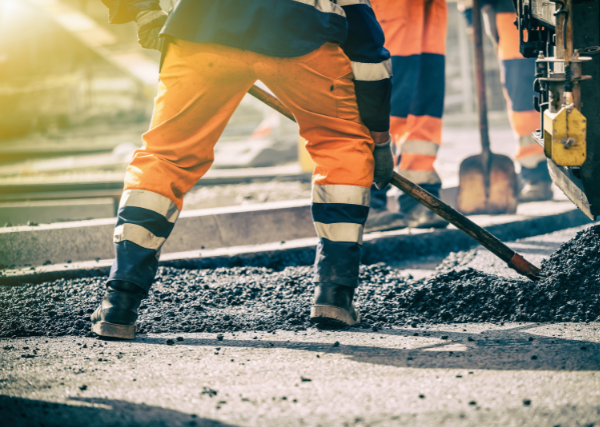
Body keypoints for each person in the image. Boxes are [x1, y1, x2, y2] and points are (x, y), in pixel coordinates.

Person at [91, 0, 395, 338]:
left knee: (166, 156)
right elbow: (367, 47)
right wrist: (378, 138)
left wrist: (144, 9)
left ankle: (119, 301)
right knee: (340, 146)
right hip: (301, 32)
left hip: (202, 25)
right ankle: (334, 294)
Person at [364, 0, 451, 232]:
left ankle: (419, 198)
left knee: (424, 108)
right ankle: (366, 203)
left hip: (427, 10)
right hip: (387, 8)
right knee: (382, 99)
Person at [459, 0, 553, 201]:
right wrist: (470, 16)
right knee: (524, 101)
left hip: (562, 13)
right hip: (512, 17)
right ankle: (536, 174)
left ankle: (571, 168)